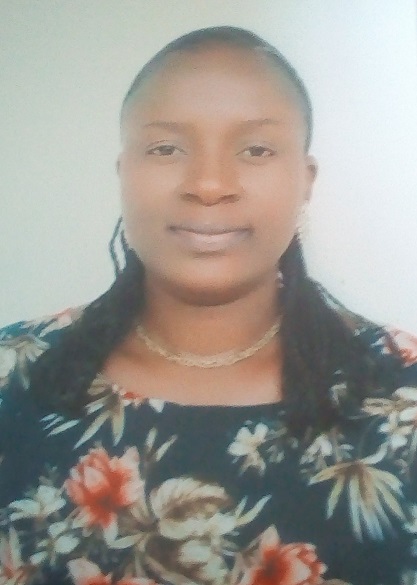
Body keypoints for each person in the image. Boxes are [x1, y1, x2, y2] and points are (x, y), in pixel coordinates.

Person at [0, 26, 417, 585]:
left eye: (257, 149)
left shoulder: (402, 395)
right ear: (124, 173)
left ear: (305, 180)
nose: (210, 184)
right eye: (166, 148)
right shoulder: (13, 373)